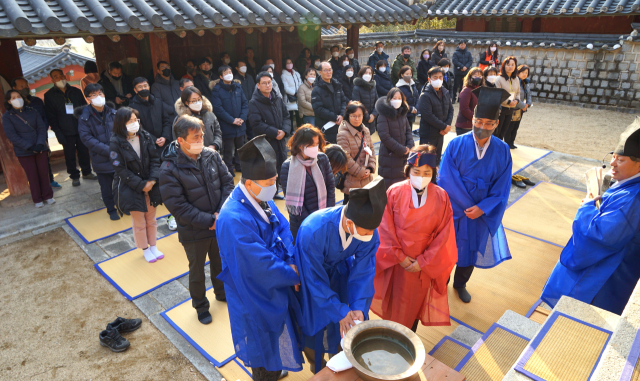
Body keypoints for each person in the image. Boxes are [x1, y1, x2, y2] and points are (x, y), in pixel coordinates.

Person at [216, 135, 304, 380]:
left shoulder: (260, 197)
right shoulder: (233, 218)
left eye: (275, 180)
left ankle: (275, 367)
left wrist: (291, 259)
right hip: (253, 291)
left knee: (276, 336)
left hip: (276, 278)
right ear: (249, 182)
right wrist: (291, 273)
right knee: (260, 343)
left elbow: (283, 227)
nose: (273, 186)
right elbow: (258, 264)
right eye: (269, 181)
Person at [540, 119, 640, 315]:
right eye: (613, 156)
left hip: (606, 273)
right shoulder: (629, 185)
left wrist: (587, 206)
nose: (612, 163)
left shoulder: (632, 198)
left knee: (580, 315)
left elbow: (600, 235)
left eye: (621, 160)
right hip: (614, 265)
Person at [294, 176, 387, 373]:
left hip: (341, 273)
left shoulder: (368, 231)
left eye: (372, 231)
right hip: (313, 280)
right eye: (365, 231)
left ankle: (341, 358)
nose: (369, 236)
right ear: (349, 221)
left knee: (349, 324)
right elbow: (313, 278)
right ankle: (316, 366)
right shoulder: (314, 230)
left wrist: (358, 307)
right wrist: (338, 310)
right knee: (315, 326)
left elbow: (364, 271)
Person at [438, 86, 513, 303]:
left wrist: (483, 208)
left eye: (489, 124)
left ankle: (460, 284)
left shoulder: (502, 150)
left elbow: (502, 186)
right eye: (479, 122)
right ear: (472, 120)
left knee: (471, 249)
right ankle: (441, 284)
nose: (483, 127)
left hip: (480, 212)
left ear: (496, 124)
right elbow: (445, 178)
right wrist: (466, 205)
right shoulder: (456, 144)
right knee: (448, 248)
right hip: (456, 209)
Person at [371, 145, 457, 331]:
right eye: (416, 172)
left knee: (414, 307)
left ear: (433, 173)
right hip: (396, 262)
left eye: (427, 173)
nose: (421, 177)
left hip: (422, 265)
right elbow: (385, 228)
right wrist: (400, 257)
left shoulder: (442, 197)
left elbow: (444, 235)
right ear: (408, 170)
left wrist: (424, 261)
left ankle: (408, 340)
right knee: (393, 304)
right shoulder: (394, 191)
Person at [160, 115, 234, 322]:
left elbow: (228, 182)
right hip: (194, 229)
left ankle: (222, 292)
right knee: (197, 270)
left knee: (220, 262)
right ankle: (201, 305)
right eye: (195, 137)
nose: (200, 140)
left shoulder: (211, 155)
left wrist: (221, 213)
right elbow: (178, 206)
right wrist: (210, 220)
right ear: (181, 140)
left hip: (218, 222)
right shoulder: (169, 169)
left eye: (201, 135)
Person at [110, 107, 163, 262]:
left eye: (135, 120)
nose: (134, 123)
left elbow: (155, 159)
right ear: (121, 123)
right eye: (130, 121)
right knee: (139, 221)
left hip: (150, 184)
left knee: (151, 219)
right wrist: (141, 185)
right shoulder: (115, 143)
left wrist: (152, 181)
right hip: (131, 187)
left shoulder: (145, 136)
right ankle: (145, 248)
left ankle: (153, 245)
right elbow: (120, 170)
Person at [280, 125, 335, 239]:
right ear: (301, 146)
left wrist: (328, 213)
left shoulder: (322, 159)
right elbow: (293, 202)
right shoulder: (288, 166)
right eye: (311, 145)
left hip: (325, 217)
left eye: (317, 144)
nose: (316, 148)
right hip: (303, 224)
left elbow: (330, 186)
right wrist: (312, 221)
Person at [44, 69, 96, 187]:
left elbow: (85, 109)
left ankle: (87, 172)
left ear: (65, 76)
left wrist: (87, 126)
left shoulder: (75, 91)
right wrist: (58, 132)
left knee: (84, 152)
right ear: (52, 80)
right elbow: (51, 116)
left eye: (61, 75)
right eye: (56, 76)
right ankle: (74, 176)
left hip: (80, 128)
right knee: (69, 155)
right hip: (64, 130)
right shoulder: (49, 96)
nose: (60, 78)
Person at [3, 89, 54, 207]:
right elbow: (12, 135)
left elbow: (41, 128)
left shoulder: (33, 111)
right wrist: (29, 146)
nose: (17, 99)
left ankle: (48, 196)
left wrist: (40, 143)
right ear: (9, 101)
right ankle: (37, 199)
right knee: (32, 175)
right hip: (24, 151)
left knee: (43, 173)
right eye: (13, 98)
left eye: (18, 96)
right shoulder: (7, 116)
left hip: (40, 147)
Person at [77, 83, 119, 220]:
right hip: (100, 157)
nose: (98, 96)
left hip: (118, 155)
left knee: (122, 184)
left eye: (100, 93)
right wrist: (109, 150)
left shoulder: (114, 113)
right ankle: (111, 209)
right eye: (94, 95)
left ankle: (123, 205)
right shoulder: (84, 118)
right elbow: (87, 139)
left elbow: (122, 132)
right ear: (88, 98)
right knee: (106, 187)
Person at [11, 77, 60, 188]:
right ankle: (37, 184)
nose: (25, 88)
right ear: (14, 88)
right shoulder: (13, 106)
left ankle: (50, 180)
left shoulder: (36, 101)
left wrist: (42, 131)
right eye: (21, 86)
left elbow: (44, 117)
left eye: (26, 85)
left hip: (41, 135)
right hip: (25, 138)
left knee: (45, 158)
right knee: (31, 163)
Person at [249, 72, 291, 198]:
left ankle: (276, 192)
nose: (268, 85)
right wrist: (274, 132)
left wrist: (284, 131)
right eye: (264, 83)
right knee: (268, 170)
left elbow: (286, 116)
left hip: (280, 140)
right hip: (266, 142)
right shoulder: (254, 102)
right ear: (258, 85)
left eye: (269, 82)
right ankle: (266, 196)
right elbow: (256, 124)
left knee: (281, 167)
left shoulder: (277, 98)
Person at [210, 65, 249, 177]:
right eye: (226, 72)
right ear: (221, 76)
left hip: (240, 123)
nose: (229, 74)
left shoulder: (237, 87)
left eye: (230, 71)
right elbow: (218, 109)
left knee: (240, 147)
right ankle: (228, 168)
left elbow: (245, 104)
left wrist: (242, 118)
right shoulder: (217, 90)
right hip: (227, 125)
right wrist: (232, 120)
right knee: (228, 149)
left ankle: (239, 165)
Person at [336, 102, 376, 204]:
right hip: (352, 182)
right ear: (348, 116)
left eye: (359, 116)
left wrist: (370, 168)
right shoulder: (343, 134)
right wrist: (361, 172)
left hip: (367, 180)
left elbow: (371, 149)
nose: (357, 119)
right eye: (353, 116)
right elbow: (346, 159)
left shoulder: (365, 130)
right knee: (351, 216)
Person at [377, 88, 415, 190]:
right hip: (389, 157)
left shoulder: (402, 114)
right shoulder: (383, 116)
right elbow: (385, 137)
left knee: (402, 187)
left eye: (399, 98)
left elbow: (408, 131)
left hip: (404, 156)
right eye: (394, 98)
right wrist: (402, 149)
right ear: (389, 99)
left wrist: (409, 145)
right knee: (390, 187)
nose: (397, 100)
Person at [417, 67, 453, 164]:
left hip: (440, 133)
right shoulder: (425, 95)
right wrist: (444, 126)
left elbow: (451, 109)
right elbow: (428, 116)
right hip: (429, 134)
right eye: (435, 77)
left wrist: (447, 125)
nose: (438, 80)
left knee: (437, 161)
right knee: (426, 161)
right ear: (429, 79)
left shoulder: (445, 92)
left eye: (440, 77)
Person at [129, 77, 172, 157]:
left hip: (164, 142)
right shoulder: (132, 107)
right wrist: (154, 139)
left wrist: (164, 136)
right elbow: (138, 127)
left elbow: (166, 120)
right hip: (147, 145)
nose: (143, 88)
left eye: (145, 86)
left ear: (149, 87)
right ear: (135, 90)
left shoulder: (158, 102)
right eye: (140, 87)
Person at [173, 86, 222, 152]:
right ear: (186, 103)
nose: (197, 102)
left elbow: (218, 133)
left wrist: (214, 145)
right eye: (194, 101)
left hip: (211, 154)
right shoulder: (181, 120)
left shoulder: (210, 114)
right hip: (191, 157)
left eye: (199, 99)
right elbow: (178, 141)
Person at [311, 62, 347, 144]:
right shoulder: (316, 90)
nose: (328, 72)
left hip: (340, 125)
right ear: (320, 72)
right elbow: (318, 109)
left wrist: (342, 115)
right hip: (326, 127)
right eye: (325, 70)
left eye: (330, 69)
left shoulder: (337, 85)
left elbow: (343, 101)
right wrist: (335, 117)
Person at [505, 65, 532, 149]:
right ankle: (507, 143)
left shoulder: (526, 83)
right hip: (514, 107)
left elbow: (529, 95)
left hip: (522, 108)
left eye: (526, 73)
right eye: (523, 72)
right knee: (510, 126)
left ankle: (512, 142)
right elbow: (514, 96)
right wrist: (523, 106)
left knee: (516, 126)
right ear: (518, 72)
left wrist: (528, 104)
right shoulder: (514, 81)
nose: (524, 74)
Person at [494, 56, 522, 140]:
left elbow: (518, 92)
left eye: (513, 65)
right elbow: (498, 94)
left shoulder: (516, 78)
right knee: (497, 132)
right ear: (504, 66)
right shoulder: (499, 79)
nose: (510, 67)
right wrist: (509, 102)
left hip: (511, 108)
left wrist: (516, 100)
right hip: (501, 108)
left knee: (504, 131)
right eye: (508, 65)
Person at [455, 68, 483, 136]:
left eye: (480, 76)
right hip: (465, 126)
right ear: (470, 77)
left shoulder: (481, 90)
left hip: (476, 125)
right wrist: (476, 118)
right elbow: (464, 109)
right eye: (475, 76)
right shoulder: (467, 90)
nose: (478, 78)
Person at [351, 66, 378, 134]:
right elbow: (357, 105)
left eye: (370, 73)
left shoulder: (373, 87)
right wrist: (367, 117)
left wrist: (374, 115)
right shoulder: (357, 88)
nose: (368, 75)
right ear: (361, 74)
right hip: (361, 120)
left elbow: (377, 102)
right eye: (366, 73)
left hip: (372, 121)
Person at [282, 57, 303, 125]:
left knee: (299, 114)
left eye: (290, 62)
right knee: (290, 115)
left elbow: (300, 83)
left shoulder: (296, 73)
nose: (289, 64)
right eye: (287, 63)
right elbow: (286, 88)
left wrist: (299, 92)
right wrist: (295, 93)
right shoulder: (283, 75)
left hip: (298, 97)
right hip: (289, 98)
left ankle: (299, 128)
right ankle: (291, 130)